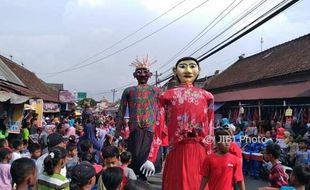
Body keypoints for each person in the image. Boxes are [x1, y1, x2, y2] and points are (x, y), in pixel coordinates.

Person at [159, 57, 214, 190]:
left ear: (199, 70)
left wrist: (209, 150)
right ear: (174, 71)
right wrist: (152, 154)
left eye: (192, 66)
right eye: (183, 66)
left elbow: (210, 126)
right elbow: (159, 126)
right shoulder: (166, 96)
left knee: (198, 182)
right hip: (176, 149)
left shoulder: (208, 96)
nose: (188, 70)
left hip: (200, 149)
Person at [116, 56, 162, 181]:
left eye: (145, 71)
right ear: (134, 74)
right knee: (134, 160)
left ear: (150, 74)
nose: (142, 74)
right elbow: (120, 112)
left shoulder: (157, 91)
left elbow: (163, 111)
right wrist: (117, 132)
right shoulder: (128, 91)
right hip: (134, 130)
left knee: (147, 162)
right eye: (139, 71)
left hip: (150, 130)